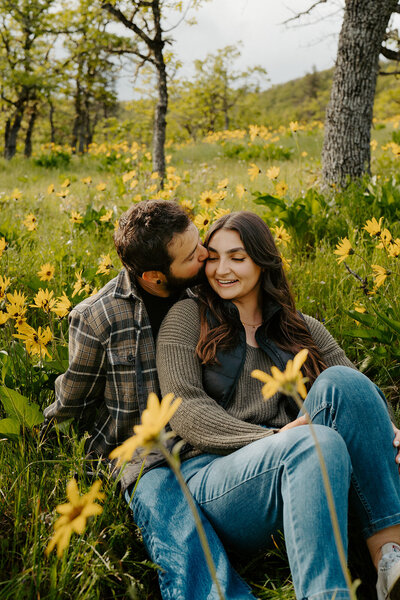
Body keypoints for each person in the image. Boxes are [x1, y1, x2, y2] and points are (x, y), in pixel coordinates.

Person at [156, 210, 400, 600]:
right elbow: (184, 407)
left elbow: (358, 396)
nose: (222, 269)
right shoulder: (188, 317)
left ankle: (390, 560)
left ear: (262, 260)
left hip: (302, 469)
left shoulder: (301, 326)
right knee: (314, 442)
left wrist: (391, 432)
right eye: (213, 257)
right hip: (215, 479)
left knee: (342, 383)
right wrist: (269, 438)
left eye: (237, 257)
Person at [42, 200, 256, 599]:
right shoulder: (97, 319)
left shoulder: (209, 286)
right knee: (170, 513)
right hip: (142, 456)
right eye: (193, 255)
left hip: (209, 435)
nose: (206, 255)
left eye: (199, 241)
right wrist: (39, 442)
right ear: (156, 276)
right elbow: (71, 405)